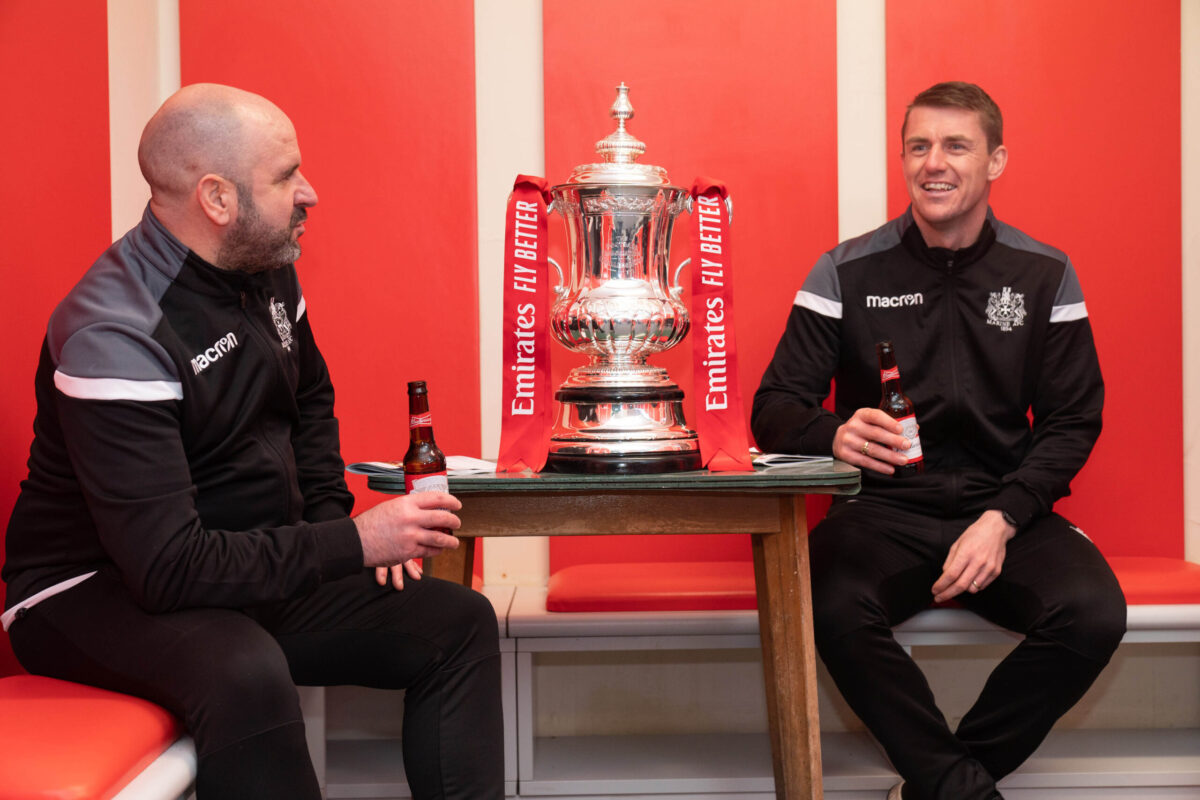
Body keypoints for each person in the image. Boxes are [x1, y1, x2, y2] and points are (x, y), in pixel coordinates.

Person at [1, 83, 503, 800]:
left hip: (240, 564)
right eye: (286, 176)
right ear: (216, 198)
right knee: (244, 670)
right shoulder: (114, 330)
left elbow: (308, 401)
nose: (311, 193)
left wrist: (333, 531)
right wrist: (354, 545)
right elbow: (168, 568)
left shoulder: (261, 264)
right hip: (90, 588)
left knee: (455, 623)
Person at [751, 81, 1126, 800]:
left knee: (1094, 614)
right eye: (918, 146)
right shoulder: (844, 270)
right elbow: (773, 407)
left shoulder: (1045, 273)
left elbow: (1074, 419)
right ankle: (961, 791)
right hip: (882, 512)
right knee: (823, 602)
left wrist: (1003, 518)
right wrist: (832, 434)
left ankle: (934, 785)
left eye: (956, 145)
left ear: (996, 161)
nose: (935, 163)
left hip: (1003, 510)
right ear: (903, 160)